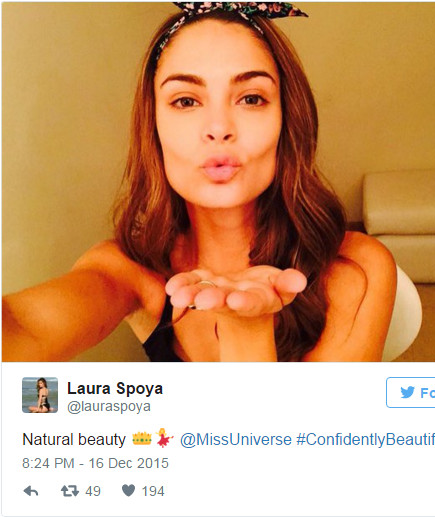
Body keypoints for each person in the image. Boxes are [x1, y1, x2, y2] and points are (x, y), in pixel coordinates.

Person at [2, 2, 396, 362]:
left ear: (287, 120)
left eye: (251, 98)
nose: (219, 128)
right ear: (153, 127)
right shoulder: (128, 268)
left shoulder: (358, 269)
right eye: (186, 101)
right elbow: (24, 325)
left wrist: (246, 329)